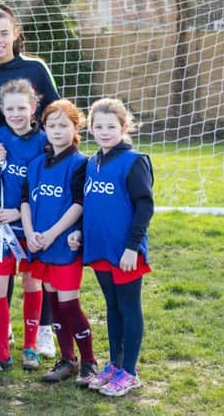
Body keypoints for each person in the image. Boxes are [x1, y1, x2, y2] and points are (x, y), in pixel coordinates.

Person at [0, 3, 59, 357]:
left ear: (15, 32)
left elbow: (55, 113)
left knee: (39, 265)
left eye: (3, 33)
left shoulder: (35, 68)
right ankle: (0, 331)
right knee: (2, 259)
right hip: (2, 176)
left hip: (37, 174)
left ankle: (44, 332)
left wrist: (51, 158)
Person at [74, 98, 154, 397]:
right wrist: (80, 234)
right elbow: (92, 206)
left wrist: (132, 247)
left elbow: (145, 206)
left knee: (129, 307)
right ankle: (115, 364)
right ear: (90, 128)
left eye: (112, 126)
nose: (105, 132)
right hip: (101, 249)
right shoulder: (93, 162)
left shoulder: (134, 160)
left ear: (124, 127)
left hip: (126, 251)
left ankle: (129, 372)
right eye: (99, 126)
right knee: (112, 306)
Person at [20, 99, 98, 385]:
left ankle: (89, 361)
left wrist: (52, 234)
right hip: (39, 244)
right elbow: (26, 200)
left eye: (64, 125)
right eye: (51, 125)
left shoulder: (80, 164)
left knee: (69, 305)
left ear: (76, 128)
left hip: (63, 244)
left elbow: (78, 204)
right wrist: (29, 232)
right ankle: (67, 360)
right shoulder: (36, 163)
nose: (57, 130)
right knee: (53, 302)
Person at [0, 79, 46, 374]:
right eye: (10, 108)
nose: (16, 113)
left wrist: (19, 213)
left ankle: (31, 347)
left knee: (32, 282)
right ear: (2, 110)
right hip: (1, 230)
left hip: (29, 226)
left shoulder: (44, 141)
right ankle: (2, 353)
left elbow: (45, 186)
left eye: (22, 107)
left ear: (33, 108)